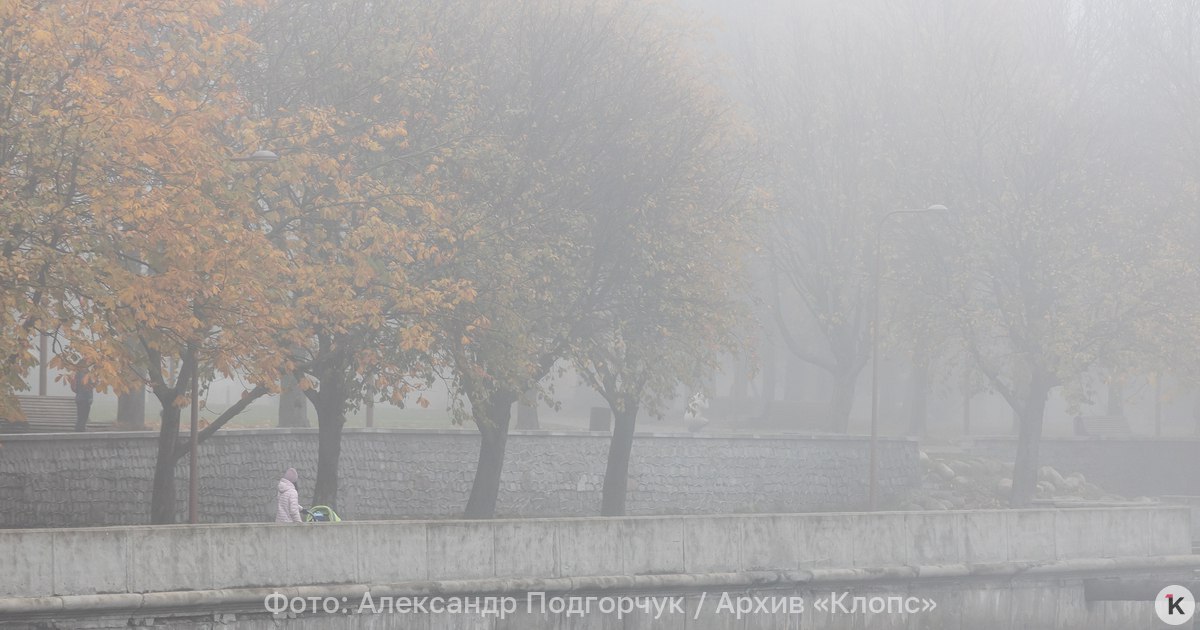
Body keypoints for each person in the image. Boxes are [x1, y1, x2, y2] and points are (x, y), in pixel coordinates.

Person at [70, 365, 93, 432]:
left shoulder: (77, 374)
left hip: (79, 398)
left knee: (80, 415)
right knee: (84, 415)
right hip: (85, 398)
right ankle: (81, 428)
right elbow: (87, 387)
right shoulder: (86, 375)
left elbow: (75, 389)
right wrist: (90, 398)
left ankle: (79, 428)